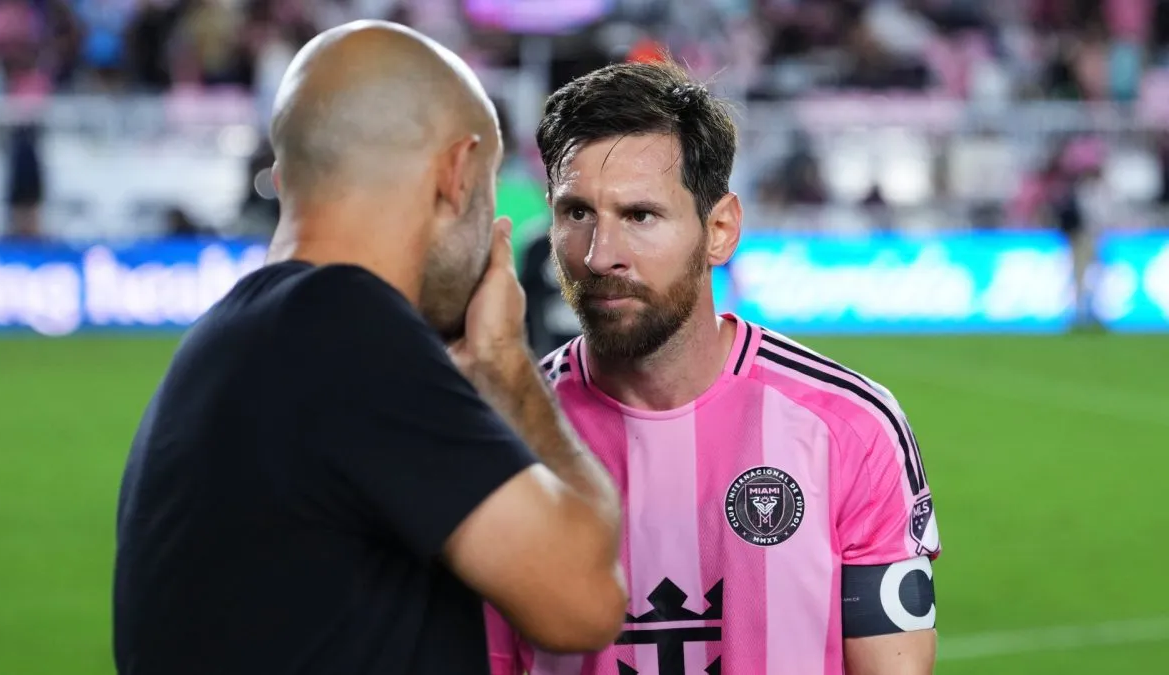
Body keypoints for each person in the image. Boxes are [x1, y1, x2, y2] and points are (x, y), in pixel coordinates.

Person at [112, 21, 628, 675]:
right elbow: (584, 601)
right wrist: (505, 366)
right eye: (490, 185)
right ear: (456, 170)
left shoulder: (228, 342)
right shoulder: (344, 330)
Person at [486, 59, 941, 675]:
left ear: (720, 228)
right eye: (577, 213)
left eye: (640, 215)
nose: (600, 255)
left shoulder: (850, 428)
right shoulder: (500, 433)